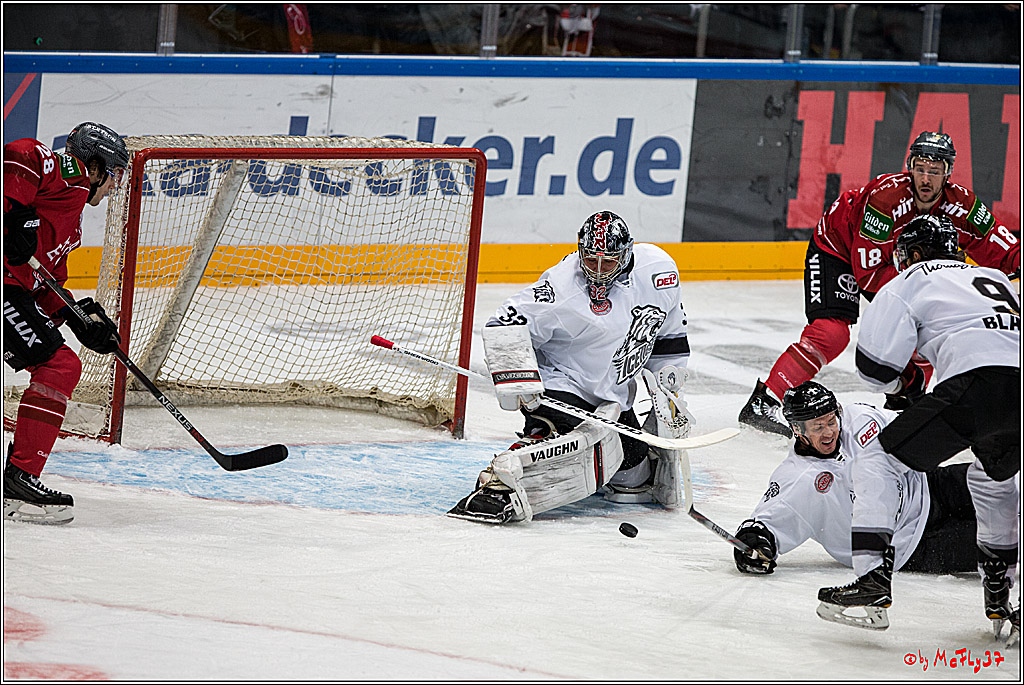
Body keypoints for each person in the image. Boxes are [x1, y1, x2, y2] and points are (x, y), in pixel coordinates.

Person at [739, 131, 1020, 438]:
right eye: (920, 168)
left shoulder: (963, 205)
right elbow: (870, 276)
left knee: (924, 329)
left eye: (935, 171)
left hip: (895, 267)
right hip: (838, 249)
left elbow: (1001, 247)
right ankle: (766, 400)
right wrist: (922, 299)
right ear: (909, 166)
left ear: (948, 174)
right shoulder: (885, 199)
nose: (926, 179)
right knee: (831, 333)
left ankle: (904, 405)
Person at [448, 210, 693, 523]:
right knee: (571, 447)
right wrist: (517, 381)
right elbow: (503, 322)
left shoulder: (659, 272)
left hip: (612, 400)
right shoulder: (561, 289)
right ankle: (499, 483)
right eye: (591, 261)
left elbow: (668, 335)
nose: (599, 272)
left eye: (609, 263)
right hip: (563, 389)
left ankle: (571, 453)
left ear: (627, 253)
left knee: (632, 477)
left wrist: (669, 392)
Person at [842, 214, 1019, 638]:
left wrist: (907, 381)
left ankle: (871, 578)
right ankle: (1000, 592)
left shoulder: (911, 280)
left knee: (877, 460)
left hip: (976, 386)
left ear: (915, 254)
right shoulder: (994, 276)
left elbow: (874, 369)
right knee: (994, 477)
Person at [734, 381, 985, 632]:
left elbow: (907, 422)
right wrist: (753, 543)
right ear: (797, 430)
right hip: (914, 544)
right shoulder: (797, 478)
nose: (829, 432)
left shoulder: (860, 419)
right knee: (1006, 539)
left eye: (831, 421)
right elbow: (764, 523)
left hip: (930, 485)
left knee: (1002, 485)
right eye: (818, 426)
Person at [3, 122, 129, 525]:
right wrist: (14, 210)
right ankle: (18, 482)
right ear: (94, 166)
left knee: (62, 362)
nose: (113, 186)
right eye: (113, 174)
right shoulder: (68, 176)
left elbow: (46, 286)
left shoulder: (71, 226)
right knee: (59, 366)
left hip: (15, 290)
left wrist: (79, 320)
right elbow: (21, 152)